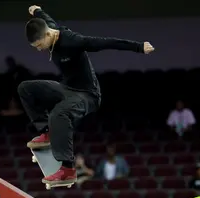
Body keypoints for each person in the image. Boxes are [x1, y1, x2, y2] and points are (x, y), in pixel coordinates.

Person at [18, 5, 154, 186]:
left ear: (48, 35)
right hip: (67, 89)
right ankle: (47, 132)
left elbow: (105, 42)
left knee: (59, 113)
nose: (39, 49)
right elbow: (45, 16)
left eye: (39, 45)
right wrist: (36, 10)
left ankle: (67, 169)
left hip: (88, 95)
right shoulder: (49, 26)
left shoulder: (72, 40)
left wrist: (138, 47)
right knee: (25, 88)